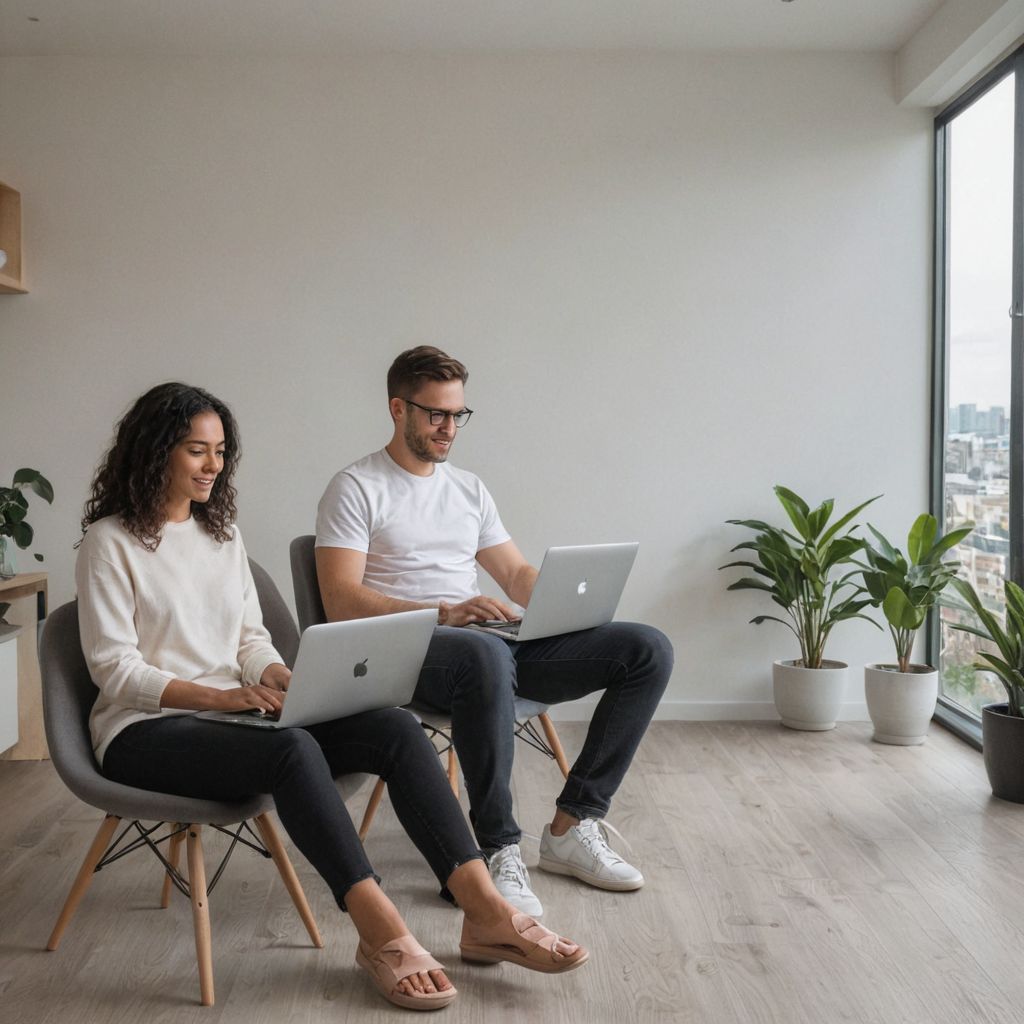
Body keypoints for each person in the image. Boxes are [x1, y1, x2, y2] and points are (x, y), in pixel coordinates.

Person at [76, 382, 588, 1013]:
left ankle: (484, 910)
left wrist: (281, 677)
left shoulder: (220, 534)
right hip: (144, 731)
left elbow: (250, 640)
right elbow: (114, 671)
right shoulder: (110, 542)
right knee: (292, 749)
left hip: (239, 714)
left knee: (394, 729)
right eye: (195, 451)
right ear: (154, 453)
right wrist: (220, 699)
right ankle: (380, 932)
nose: (213, 465)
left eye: (220, 451)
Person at [315, 347, 674, 917]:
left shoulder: (468, 489)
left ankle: (571, 827)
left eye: (458, 414)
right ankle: (495, 847)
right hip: (406, 655)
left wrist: (561, 603)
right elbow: (340, 601)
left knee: (645, 649)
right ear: (397, 409)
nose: (449, 428)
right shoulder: (356, 487)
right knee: (482, 654)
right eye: (436, 414)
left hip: (485, 651)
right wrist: (444, 613)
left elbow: (514, 572)